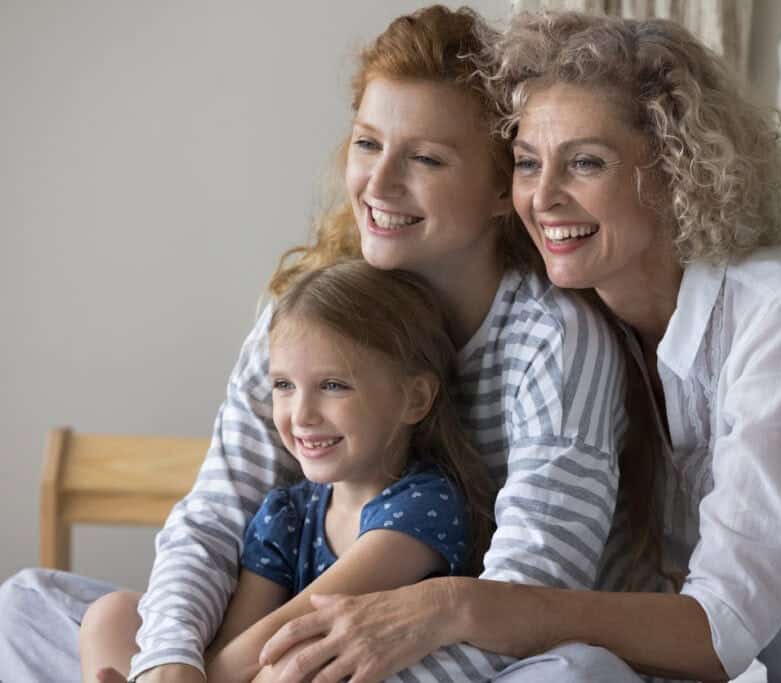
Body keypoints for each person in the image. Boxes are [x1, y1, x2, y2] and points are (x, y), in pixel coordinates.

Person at [254, 10, 781, 683]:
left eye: (584, 162)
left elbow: (720, 631)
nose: (542, 197)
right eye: (527, 162)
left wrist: (452, 604)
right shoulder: (582, 323)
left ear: (678, 169)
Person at [0, 7, 646, 683]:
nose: (380, 181)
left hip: (465, 660)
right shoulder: (304, 311)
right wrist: (169, 663)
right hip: (293, 655)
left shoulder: (553, 339)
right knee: (28, 604)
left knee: (579, 673)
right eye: (368, 144)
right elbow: (219, 515)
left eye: (425, 158)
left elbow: (526, 598)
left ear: (499, 187)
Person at [77, 260, 495, 682]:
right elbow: (236, 640)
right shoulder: (287, 514)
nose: (301, 414)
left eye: (333, 385)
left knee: (288, 666)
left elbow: (293, 627)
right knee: (110, 617)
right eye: (283, 386)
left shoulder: (427, 505)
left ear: (415, 398)